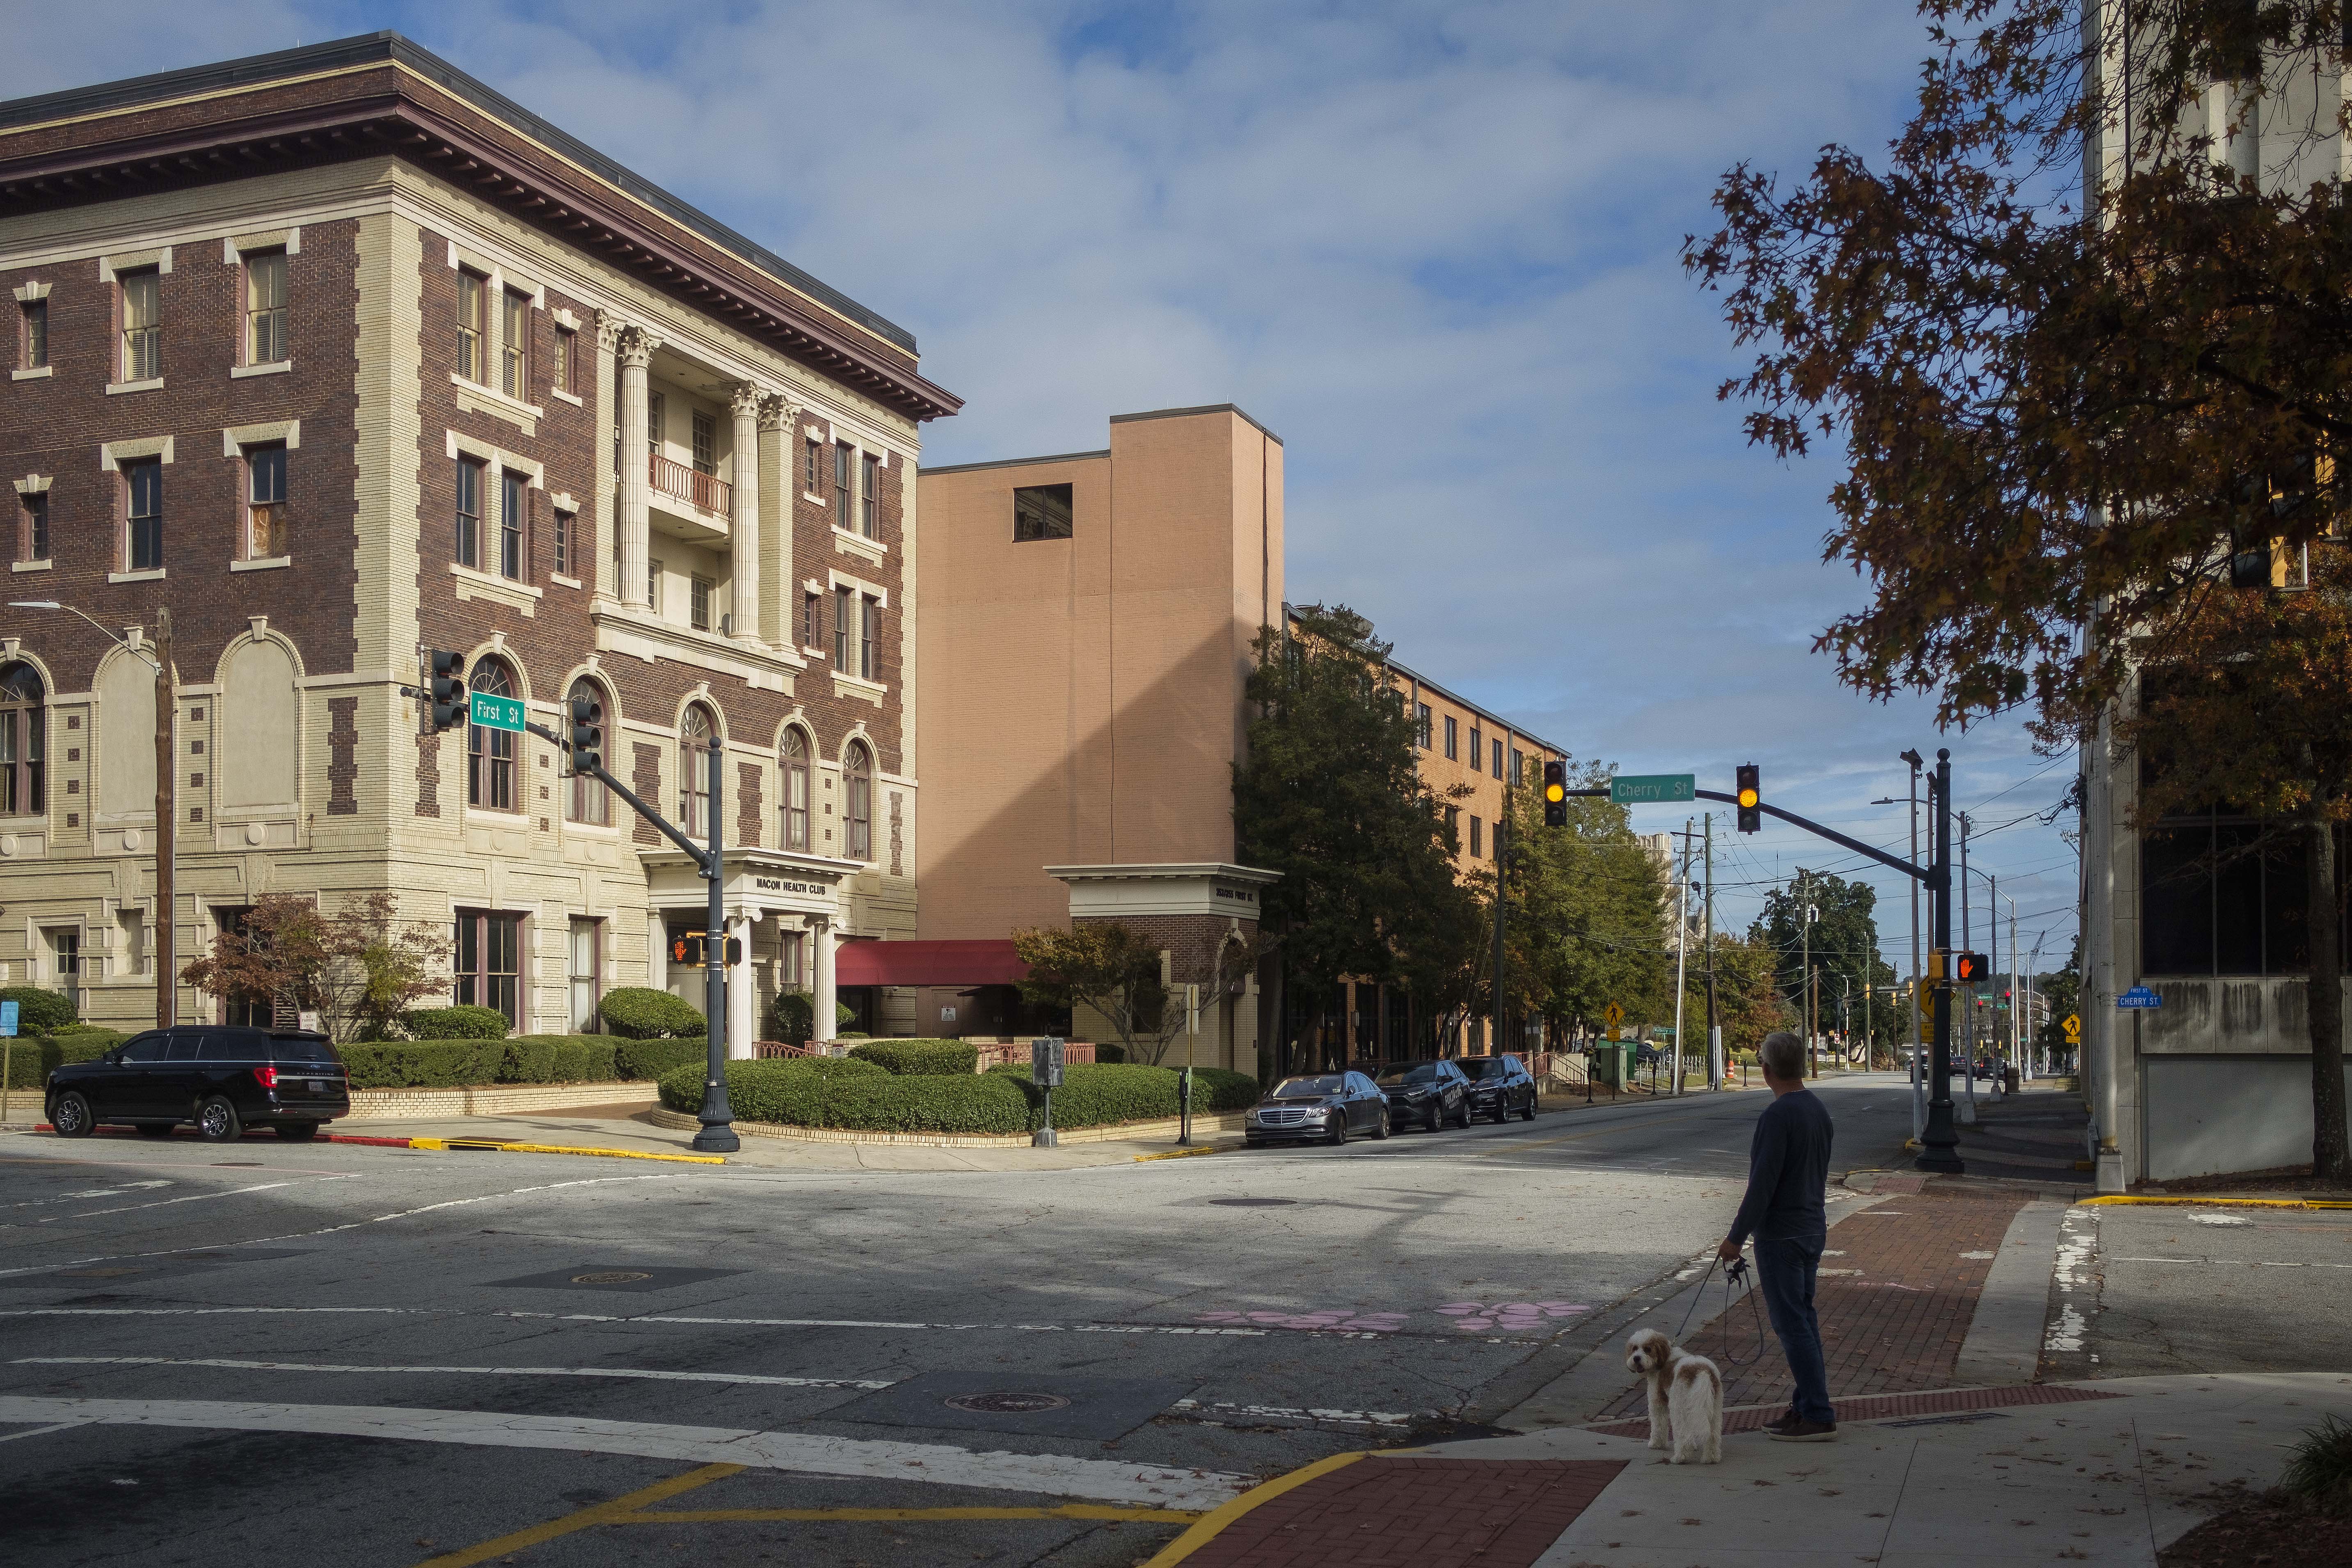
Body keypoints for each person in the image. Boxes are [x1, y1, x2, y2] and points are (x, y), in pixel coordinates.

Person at [1716, 1029, 1836, 1440]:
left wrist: (1734, 1239)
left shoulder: (1777, 1115)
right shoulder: (1818, 1110)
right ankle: (1805, 1404)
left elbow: (1762, 1185)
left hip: (1781, 1235)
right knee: (1803, 1319)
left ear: (1765, 1070)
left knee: (1792, 1325)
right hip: (1811, 1227)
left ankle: (1817, 1412)